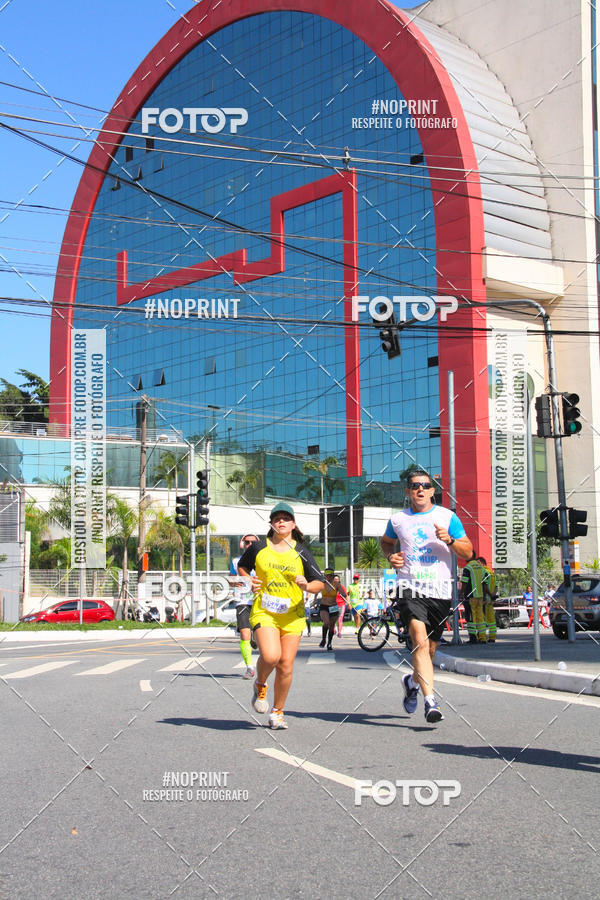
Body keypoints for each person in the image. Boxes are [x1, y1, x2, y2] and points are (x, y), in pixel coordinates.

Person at [380, 469, 473, 723]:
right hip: (409, 587)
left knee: (429, 651)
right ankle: (431, 702)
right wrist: (391, 556)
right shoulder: (398, 520)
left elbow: (468, 552)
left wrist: (450, 541)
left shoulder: (447, 517)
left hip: (440, 591)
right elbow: (386, 542)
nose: (420, 489)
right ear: (408, 491)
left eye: (424, 485)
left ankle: (412, 682)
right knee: (419, 642)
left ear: (432, 491)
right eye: (414, 485)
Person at [238, 502, 324, 729]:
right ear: (271, 524)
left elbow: (319, 583)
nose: (281, 522)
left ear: (293, 524)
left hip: (293, 615)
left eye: (286, 518)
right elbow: (242, 567)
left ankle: (277, 712)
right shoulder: (258, 547)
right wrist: (249, 581)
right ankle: (260, 685)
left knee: (286, 664)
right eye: (277, 519)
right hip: (265, 611)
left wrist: (307, 586)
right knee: (271, 656)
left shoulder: (301, 552)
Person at [229, 533, 259, 678]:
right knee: (244, 633)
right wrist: (234, 582)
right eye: (247, 542)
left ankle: (255, 638)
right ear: (243, 544)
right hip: (243, 601)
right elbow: (230, 579)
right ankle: (249, 667)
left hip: (260, 602)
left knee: (259, 636)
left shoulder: (264, 561)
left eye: (253, 542)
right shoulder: (236, 561)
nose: (250, 545)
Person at [461, 554, 488, 644]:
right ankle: (482, 638)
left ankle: (473, 638)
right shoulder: (482, 568)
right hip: (480, 597)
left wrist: (461, 593)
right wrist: (485, 596)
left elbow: (464, 583)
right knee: (480, 618)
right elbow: (485, 584)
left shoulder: (468, 568)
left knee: (471, 618)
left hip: (471, 597)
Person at [319, 569, 340, 650]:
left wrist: (342, 593)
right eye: (327, 575)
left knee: (332, 626)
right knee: (326, 622)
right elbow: (315, 590)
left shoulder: (336, 584)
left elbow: (344, 593)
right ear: (325, 576)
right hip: (324, 606)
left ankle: (329, 643)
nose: (329, 577)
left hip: (333, 606)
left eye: (331, 576)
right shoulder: (322, 584)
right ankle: (323, 639)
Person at [478, 556, 497, 643]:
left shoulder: (483, 572)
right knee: (491, 620)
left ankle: (482, 638)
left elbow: (484, 586)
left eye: (478, 564)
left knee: (481, 619)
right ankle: (492, 637)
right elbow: (496, 586)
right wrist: (492, 596)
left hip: (484, 599)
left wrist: (484, 597)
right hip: (490, 600)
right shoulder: (492, 573)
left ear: (482, 563)